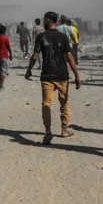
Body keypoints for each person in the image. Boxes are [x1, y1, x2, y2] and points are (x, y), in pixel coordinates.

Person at [25, 11, 82, 144]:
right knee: (64, 103)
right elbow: (70, 57)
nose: (43, 22)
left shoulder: (41, 37)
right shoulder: (63, 37)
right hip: (62, 75)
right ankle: (64, 130)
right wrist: (77, 75)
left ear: (48, 21)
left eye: (44, 20)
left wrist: (28, 71)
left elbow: (34, 56)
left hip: (47, 76)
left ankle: (48, 131)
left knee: (46, 103)